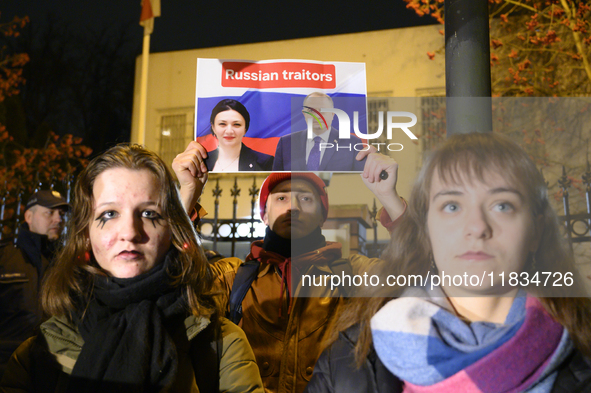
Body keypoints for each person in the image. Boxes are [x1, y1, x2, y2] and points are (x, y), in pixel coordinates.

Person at [304, 133, 591, 393]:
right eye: (452, 206)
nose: (477, 227)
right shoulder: (346, 362)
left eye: (502, 205)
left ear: (536, 232)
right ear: (425, 231)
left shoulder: (583, 347)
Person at [0, 144, 264, 392]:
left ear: (171, 231)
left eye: (149, 214)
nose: (129, 232)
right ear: (86, 232)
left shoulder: (220, 344)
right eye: (109, 214)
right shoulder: (38, 352)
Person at [172, 142, 406, 393]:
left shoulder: (354, 274)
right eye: (281, 197)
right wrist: (187, 194)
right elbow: (170, 279)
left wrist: (388, 197)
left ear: (321, 215)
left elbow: (418, 278)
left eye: (305, 198)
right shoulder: (231, 278)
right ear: (264, 214)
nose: (293, 206)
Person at [0, 190, 69, 378]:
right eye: (50, 212)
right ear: (29, 216)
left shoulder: (66, 264)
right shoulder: (5, 259)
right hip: (6, 367)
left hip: (52, 370)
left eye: (61, 214)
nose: (58, 219)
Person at [272, 92, 367, 172]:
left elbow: (360, 179)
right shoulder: (286, 143)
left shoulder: (352, 143)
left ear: (332, 114)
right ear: (304, 114)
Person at [205, 99, 273, 172]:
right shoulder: (203, 161)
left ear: (245, 129)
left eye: (236, 124)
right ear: (213, 127)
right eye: (222, 124)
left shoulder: (264, 162)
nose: (229, 131)